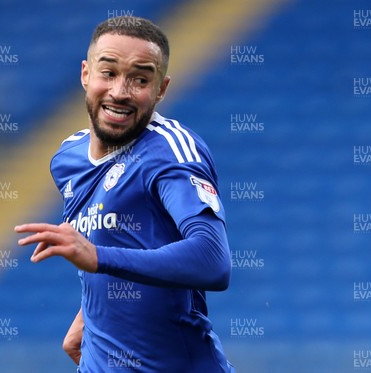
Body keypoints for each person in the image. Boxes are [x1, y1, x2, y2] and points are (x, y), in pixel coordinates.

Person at [15, 16, 235, 373]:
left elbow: (212, 261)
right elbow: (123, 236)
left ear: (161, 89)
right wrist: (89, 313)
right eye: (109, 73)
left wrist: (98, 257)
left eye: (140, 79)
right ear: (86, 74)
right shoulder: (68, 159)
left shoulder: (170, 151)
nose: (120, 91)